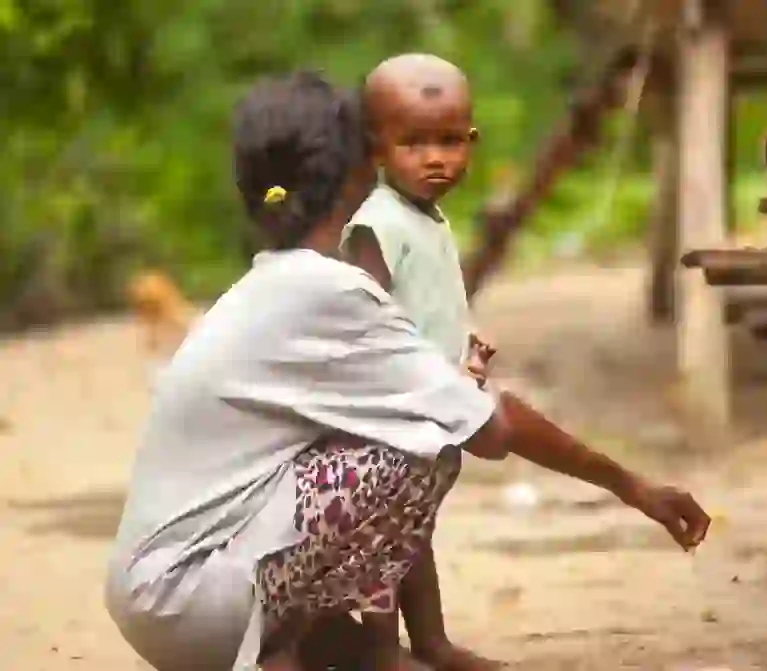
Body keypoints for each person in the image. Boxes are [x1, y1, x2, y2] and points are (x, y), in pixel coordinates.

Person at [104, 71, 511, 671]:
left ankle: (335, 648)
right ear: (356, 174)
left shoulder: (267, 284)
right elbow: (486, 430)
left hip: (156, 594)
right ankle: (297, 650)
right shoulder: (328, 285)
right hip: (193, 601)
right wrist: (632, 488)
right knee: (419, 449)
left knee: (386, 443)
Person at [340, 53, 712, 670]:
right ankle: (383, 652)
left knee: (415, 529)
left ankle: (430, 644)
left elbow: (425, 309)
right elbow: (366, 324)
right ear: (376, 147)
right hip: (393, 415)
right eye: (414, 143)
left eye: (450, 141)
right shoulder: (376, 224)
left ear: (472, 141)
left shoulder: (424, 217)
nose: (436, 158)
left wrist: (462, 355)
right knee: (389, 535)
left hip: (435, 405)